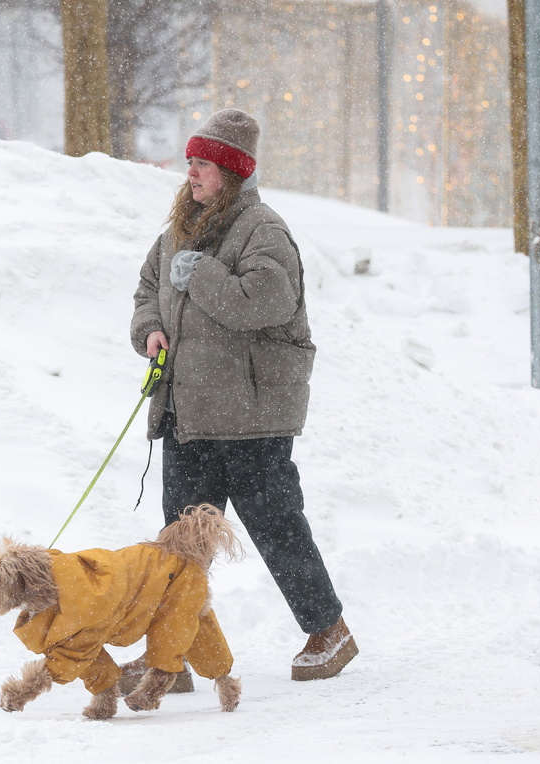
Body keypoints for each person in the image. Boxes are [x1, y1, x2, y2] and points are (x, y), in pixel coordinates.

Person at [129, 108, 357, 682]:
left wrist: (200, 274)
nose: (192, 174)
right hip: (189, 413)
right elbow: (148, 291)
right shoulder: (177, 233)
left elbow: (264, 303)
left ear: (231, 171)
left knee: (277, 528)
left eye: (203, 164)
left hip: (252, 416)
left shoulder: (264, 230)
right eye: (189, 163)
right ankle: (171, 656)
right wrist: (149, 329)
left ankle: (330, 631)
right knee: (180, 545)